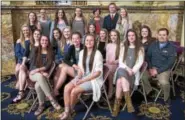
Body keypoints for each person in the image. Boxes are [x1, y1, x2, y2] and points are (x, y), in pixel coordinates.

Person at [59, 34, 103, 120]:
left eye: (91, 40)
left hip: (93, 80)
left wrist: (82, 81)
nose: (89, 42)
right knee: (67, 88)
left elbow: (98, 73)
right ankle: (67, 111)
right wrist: (78, 77)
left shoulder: (98, 54)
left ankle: (69, 112)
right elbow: (80, 68)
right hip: (83, 77)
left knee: (74, 91)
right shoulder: (82, 52)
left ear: (94, 42)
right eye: (87, 40)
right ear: (84, 41)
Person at [112, 29, 144, 116]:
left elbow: (140, 62)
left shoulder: (140, 48)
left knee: (119, 82)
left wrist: (132, 70)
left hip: (132, 74)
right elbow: (121, 61)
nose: (131, 37)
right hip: (123, 69)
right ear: (127, 37)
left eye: (133, 35)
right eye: (129, 35)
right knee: (121, 70)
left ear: (135, 36)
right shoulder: (123, 46)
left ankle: (116, 107)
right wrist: (127, 68)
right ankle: (128, 102)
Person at [29, 36, 61, 116]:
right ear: (40, 41)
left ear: (48, 42)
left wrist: (41, 71)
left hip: (44, 74)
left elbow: (48, 65)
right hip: (33, 74)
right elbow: (32, 65)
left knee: (37, 86)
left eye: (46, 40)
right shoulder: (35, 50)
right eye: (42, 40)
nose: (44, 41)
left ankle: (41, 105)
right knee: (40, 76)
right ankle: (51, 99)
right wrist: (39, 71)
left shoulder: (51, 52)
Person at [143, 28, 177, 104]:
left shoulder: (171, 47)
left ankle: (166, 97)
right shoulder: (153, 44)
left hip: (164, 69)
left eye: (164, 35)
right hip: (152, 67)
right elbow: (148, 57)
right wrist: (151, 68)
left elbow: (170, 63)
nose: (162, 36)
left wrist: (157, 71)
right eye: (160, 35)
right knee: (142, 76)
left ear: (167, 36)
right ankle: (149, 91)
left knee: (164, 82)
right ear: (157, 35)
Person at [53, 32, 83, 96]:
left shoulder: (84, 47)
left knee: (64, 69)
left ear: (80, 39)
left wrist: (76, 66)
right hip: (76, 68)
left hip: (82, 70)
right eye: (73, 38)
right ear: (71, 39)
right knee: (60, 66)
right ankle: (56, 89)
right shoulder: (72, 47)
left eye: (77, 38)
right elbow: (65, 59)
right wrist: (73, 65)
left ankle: (55, 89)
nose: (75, 40)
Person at [13, 24, 33, 103]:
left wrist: (28, 59)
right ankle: (22, 84)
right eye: (24, 30)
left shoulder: (32, 40)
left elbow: (33, 53)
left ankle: (21, 90)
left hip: (30, 61)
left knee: (20, 68)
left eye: (27, 30)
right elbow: (17, 53)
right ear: (22, 31)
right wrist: (22, 60)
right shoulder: (19, 41)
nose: (25, 32)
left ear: (29, 30)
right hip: (22, 61)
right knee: (18, 68)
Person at [105, 29, 120, 99]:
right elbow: (107, 57)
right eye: (112, 35)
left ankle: (110, 90)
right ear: (110, 36)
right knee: (100, 69)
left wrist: (115, 62)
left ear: (117, 36)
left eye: (115, 35)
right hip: (108, 64)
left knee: (109, 71)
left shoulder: (121, 45)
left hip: (116, 65)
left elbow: (122, 59)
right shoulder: (108, 45)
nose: (113, 37)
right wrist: (105, 61)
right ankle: (100, 89)